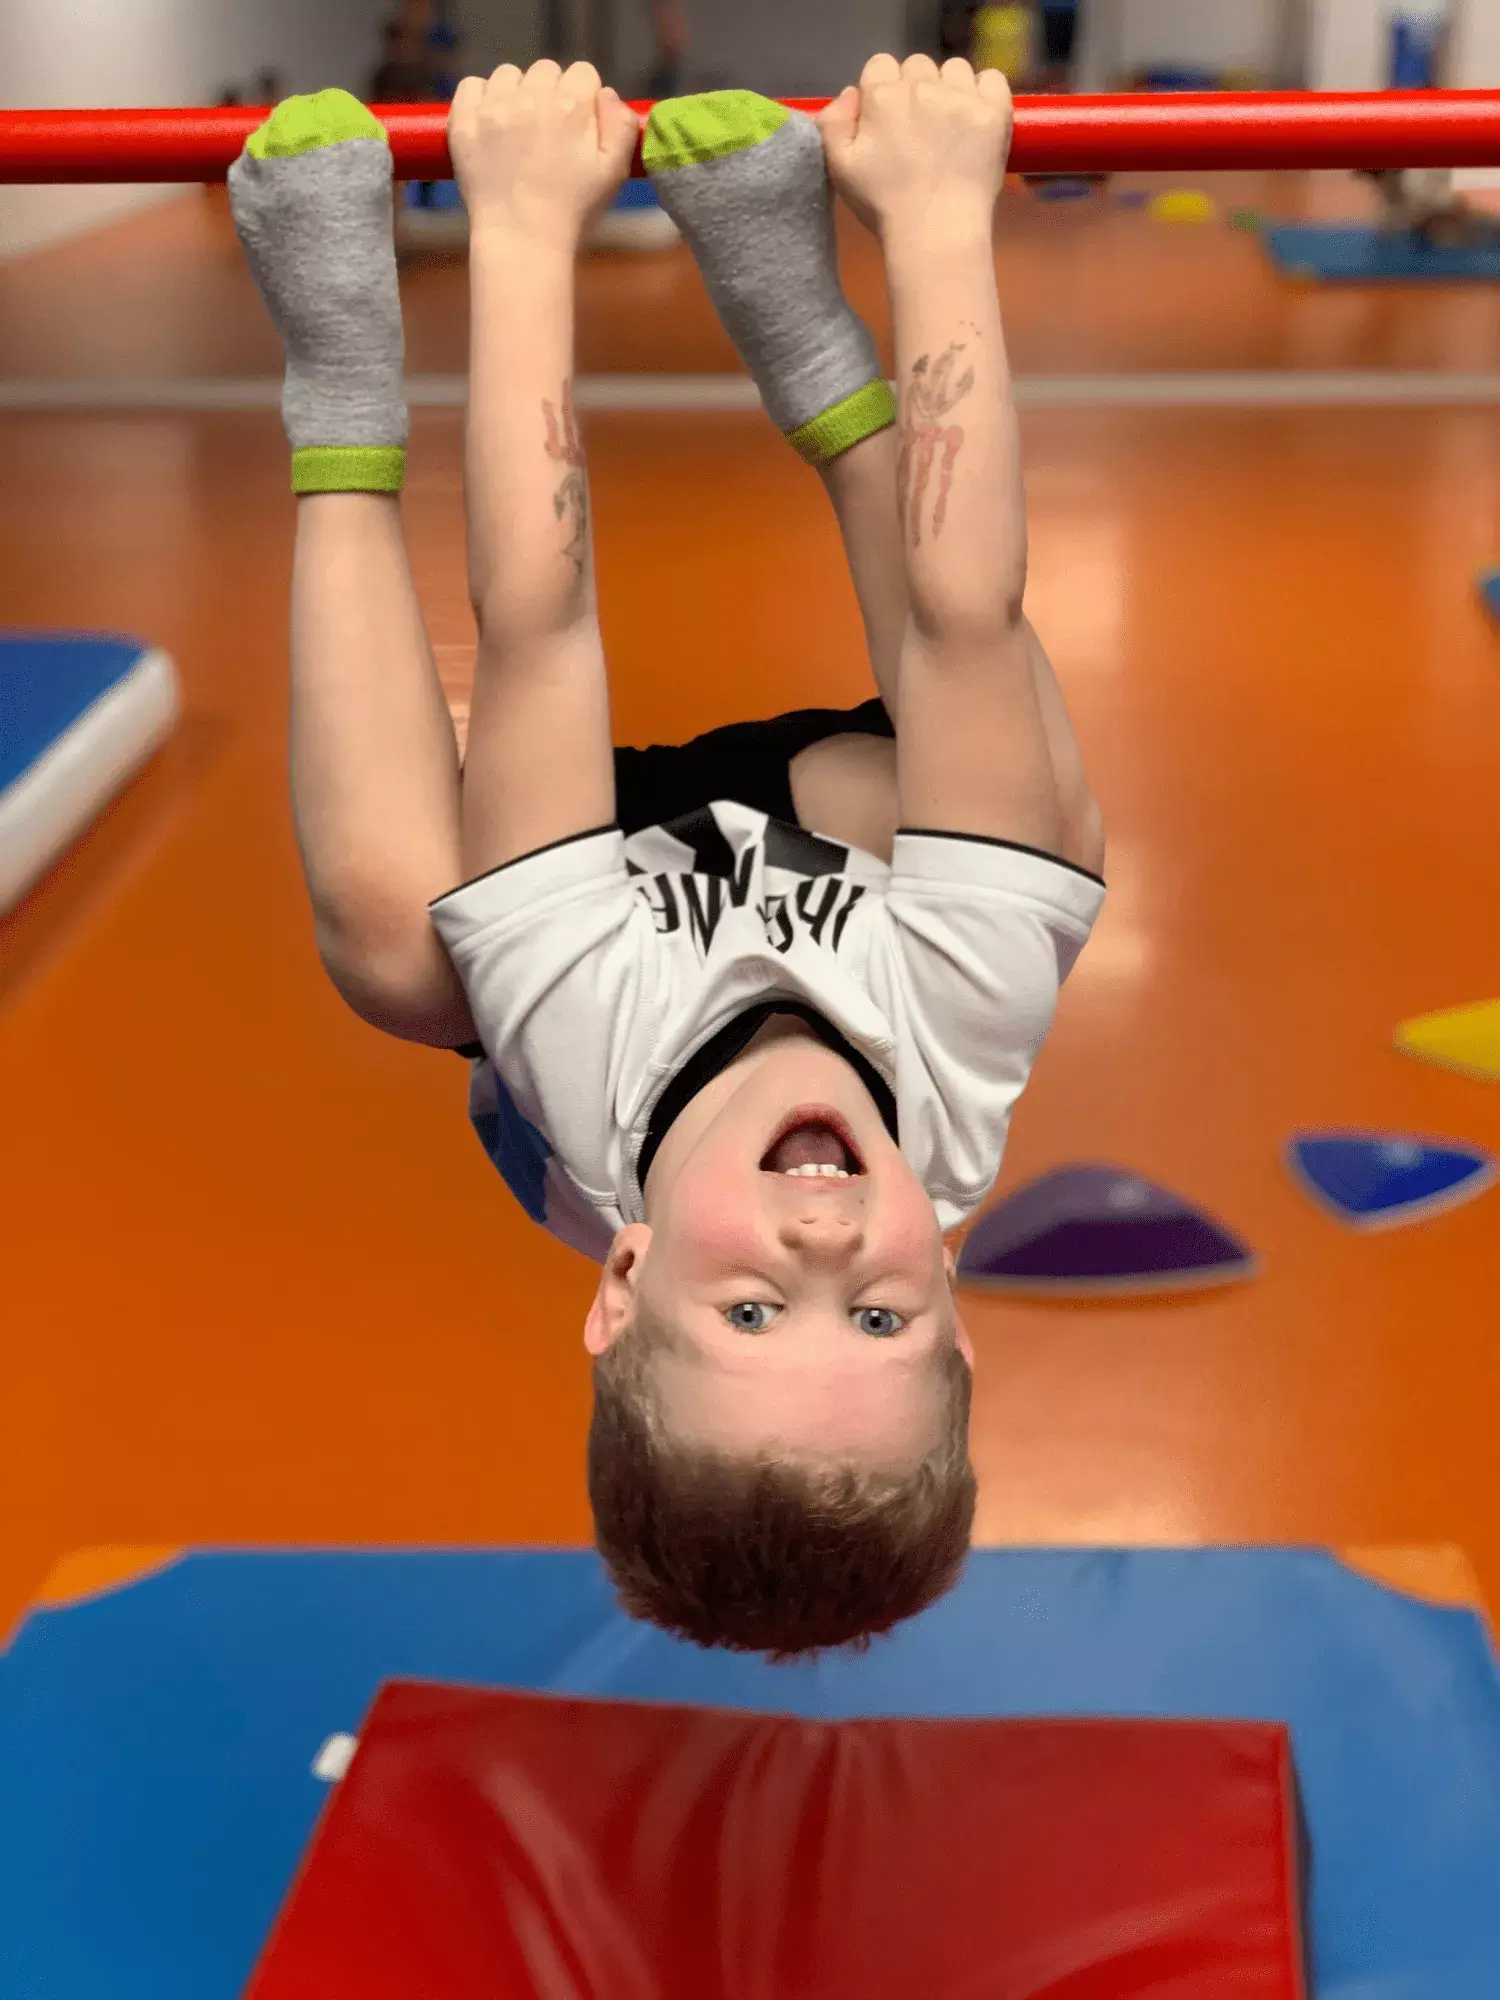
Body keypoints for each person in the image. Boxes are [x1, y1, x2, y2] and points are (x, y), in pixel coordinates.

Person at [227, 57, 1105, 1656]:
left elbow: (537, 628)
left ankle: (336, 381)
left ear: (622, 1279)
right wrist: (932, 214)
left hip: (596, 915)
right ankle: (805, 338)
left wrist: (518, 224)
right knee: (1053, 833)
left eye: (753, 1308)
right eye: (881, 1313)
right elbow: (965, 627)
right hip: (843, 825)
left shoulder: (581, 1056)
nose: (823, 1246)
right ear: (955, 1300)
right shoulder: (961, 1039)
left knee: (393, 945)